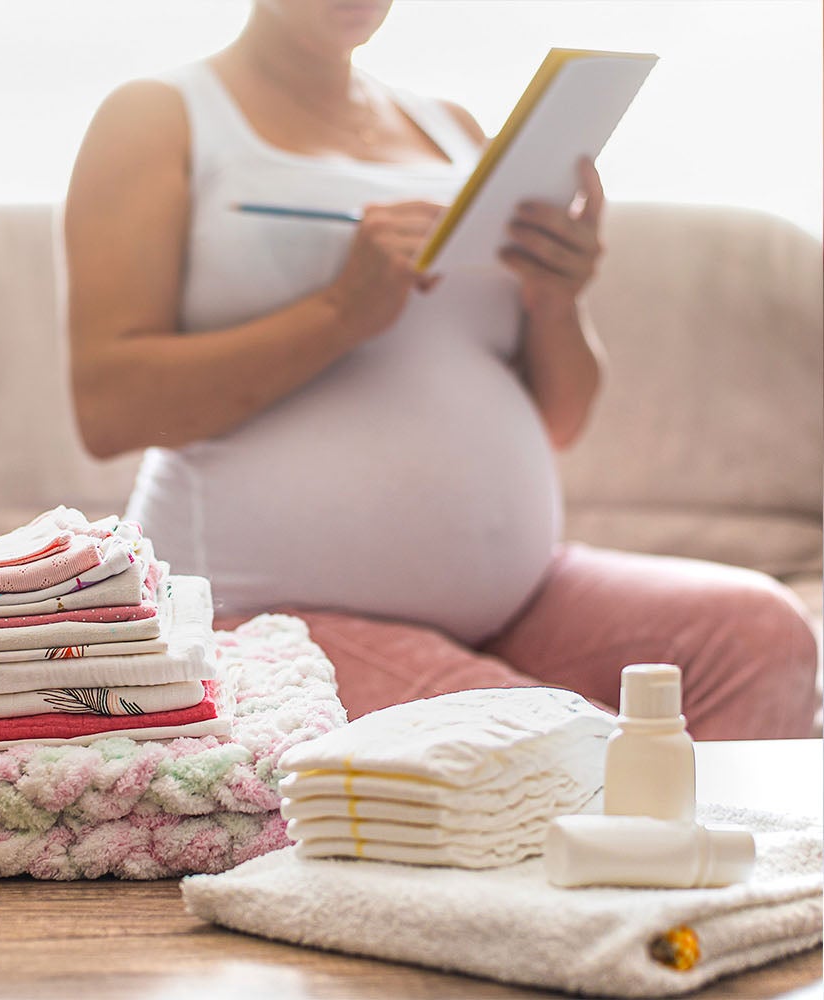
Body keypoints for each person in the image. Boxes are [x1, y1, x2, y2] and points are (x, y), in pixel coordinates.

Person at [63, 0, 819, 739]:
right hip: (267, 615)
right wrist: (338, 315)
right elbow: (108, 410)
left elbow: (558, 421)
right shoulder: (158, 117)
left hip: (518, 596)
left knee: (760, 638)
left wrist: (558, 302)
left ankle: (711, 862)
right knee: (547, 745)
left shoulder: (453, 131)